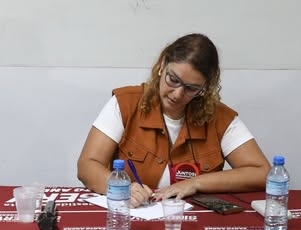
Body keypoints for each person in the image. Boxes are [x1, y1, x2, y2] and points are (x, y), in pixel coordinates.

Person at [77, 33, 270, 207]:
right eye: (173, 80)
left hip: (193, 222)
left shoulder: (219, 117)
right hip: (133, 215)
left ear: (205, 87)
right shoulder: (125, 103)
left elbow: (262, 173)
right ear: (162, 65)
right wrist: (120, 187)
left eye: (191, 88)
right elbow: (87, 165)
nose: (177, 94)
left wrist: (195, 183)